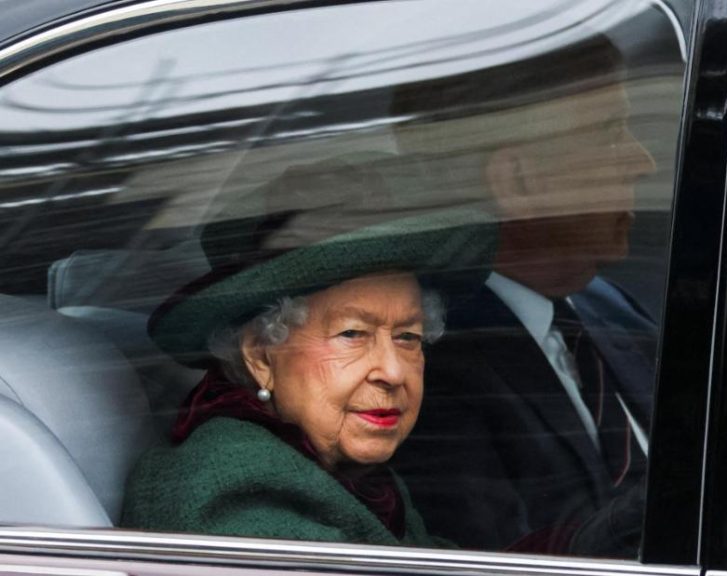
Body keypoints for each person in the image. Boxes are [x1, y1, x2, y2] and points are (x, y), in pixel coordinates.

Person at [389, 34, 727, 573]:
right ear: (518, 180)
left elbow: (725, 500)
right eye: (611, 135)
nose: (642, 160)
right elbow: (512, 562)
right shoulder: (431, 362)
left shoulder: (605, 307)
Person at [120, 157, 496, 545]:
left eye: (408, 337)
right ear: (262, 354)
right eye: (353, 334)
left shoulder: (337, 471)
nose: (393, 371)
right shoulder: (237, 487)